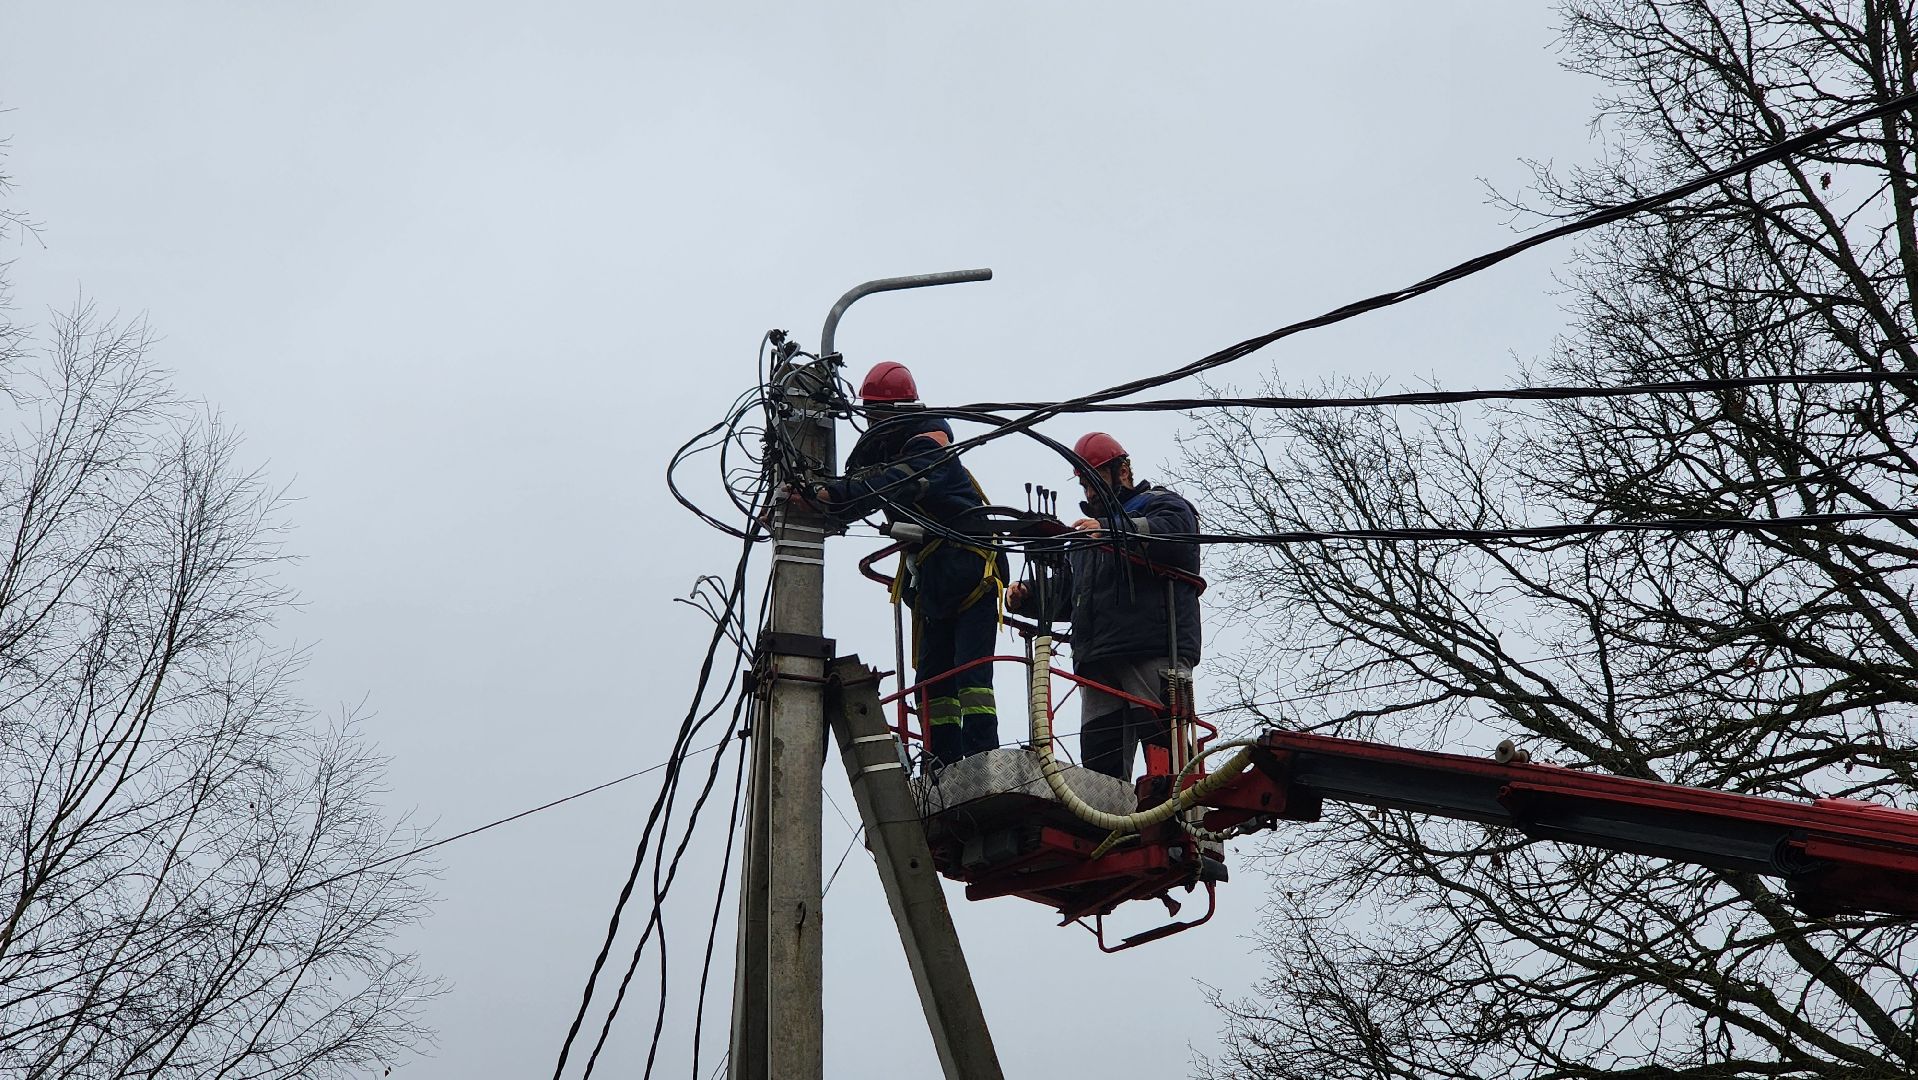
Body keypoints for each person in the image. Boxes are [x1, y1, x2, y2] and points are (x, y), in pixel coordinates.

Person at [801, 361, 1004, 768]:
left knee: (971, 677)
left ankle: (982, 760)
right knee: (931, 684)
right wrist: (817, 499)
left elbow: (896, 481)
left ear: (897, 411)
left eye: (878, 414)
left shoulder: (930, 447)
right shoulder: (886, 456)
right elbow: (865, 490)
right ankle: (940, 760)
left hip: (971, 572)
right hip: (933, 586)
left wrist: (831, 496)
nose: (873, 422)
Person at [1005, 432, 1201, 781]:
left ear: (1122, 470)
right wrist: (1030, 595)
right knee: (1100, 767)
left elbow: (1175, 535)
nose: (1091, 494)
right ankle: (1112, 827)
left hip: (1150, 649)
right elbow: (1071, 593)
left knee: (1167, 759)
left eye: (1096, 482)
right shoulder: (1087, 536)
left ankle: (1177, 814)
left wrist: (1111, 530)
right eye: (1085, 486)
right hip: (1097, 659)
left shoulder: (1160, 505)